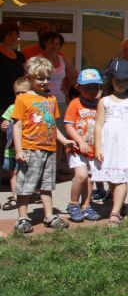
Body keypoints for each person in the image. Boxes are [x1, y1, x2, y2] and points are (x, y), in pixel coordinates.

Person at [12, 57, 77, 233]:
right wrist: (19, 150)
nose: (45, 82)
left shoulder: (51, 99)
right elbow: (17, 126)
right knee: (26, 186)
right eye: (40, 78)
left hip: (49, 150)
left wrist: (65, 141)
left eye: (47, 78)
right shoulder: (23, 98)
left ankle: (49, 216)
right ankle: (23, 217)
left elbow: (53, 126)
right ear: (29, 77)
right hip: (30, 149)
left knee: (46, 186)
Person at [93, 59, 128, 227]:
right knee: (111, 177)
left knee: (121, 178)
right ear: (111, 81)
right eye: (117, 80)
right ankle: (120, 203)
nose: (121, 84)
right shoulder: (104, 101)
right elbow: (99, 125)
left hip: (126, 143)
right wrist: (97, 147)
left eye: (125, 80)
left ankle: (115, 213)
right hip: (109, 144)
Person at [63, 69, 103, 223]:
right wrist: (80, 141)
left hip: (94, 149)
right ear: (78, 87)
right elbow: (68, 126)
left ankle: (86, 206)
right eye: (87, 88)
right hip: (76, 148)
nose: (91, 91)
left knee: (90, 179)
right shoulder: (75, 104)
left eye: (95, 87)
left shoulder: (100, 104)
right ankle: (73, 204)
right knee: (81, 175)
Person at [1, 78, 30, 212]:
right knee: (13, 174)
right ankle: (15, 196)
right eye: (17, 93)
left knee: (25, 173)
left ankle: (27, 193)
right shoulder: (11, 108)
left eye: (23, 93)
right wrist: (4, 126)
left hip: (26, 147)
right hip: (11, 148)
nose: (19, 96)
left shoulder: (30, 108)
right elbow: (3, 125)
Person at [0, 22, 25, 115]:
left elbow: (25, 76)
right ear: (3, 35)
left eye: (16, 34)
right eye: (10, 34)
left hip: (16, 100)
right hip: (2, 101)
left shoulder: (20, 55)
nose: (14, 37)